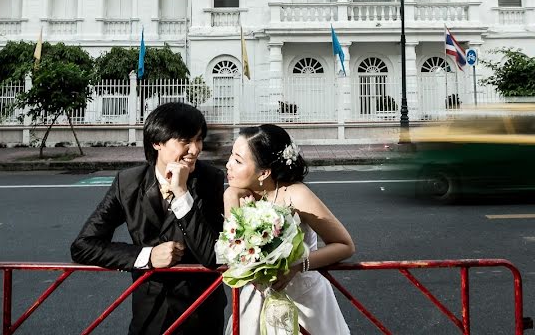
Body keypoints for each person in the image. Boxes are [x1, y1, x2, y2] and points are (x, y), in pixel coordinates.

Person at [71, 102, 227, 334]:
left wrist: (182, 192)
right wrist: (147, 255)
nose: (195, 149)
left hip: (200, 313)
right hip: (150, 314)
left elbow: (212, 256)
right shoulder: (129, 183)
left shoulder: (209, 179)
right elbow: (83, 246)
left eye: (199, 139)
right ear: (157, 143)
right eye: (185, 141)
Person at [224, 124, 355, 334]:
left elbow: (345, 245)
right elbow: (233, 254)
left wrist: (297, 265)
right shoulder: (236, 194)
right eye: (231, 156)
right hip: (255, 299)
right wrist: (230, 197)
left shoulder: (296, 194)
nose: (228, 165)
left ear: (264, 172)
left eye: (238, 161)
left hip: (303, 300)